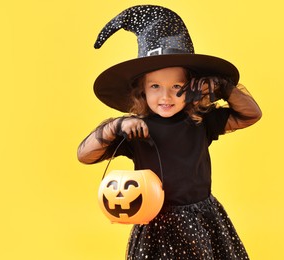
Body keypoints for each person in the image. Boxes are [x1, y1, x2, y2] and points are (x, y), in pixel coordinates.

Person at [77, 5, 262, 259]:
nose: (165, 96)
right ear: (142, 90)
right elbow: (84, 155)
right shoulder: (136, 130)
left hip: (200, 220)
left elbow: (251, 115)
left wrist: (222, 88)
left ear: (192, 86)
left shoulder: (200, 121)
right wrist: (115, 127)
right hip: (154, 224)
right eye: (155, 86)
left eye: (176, 86)